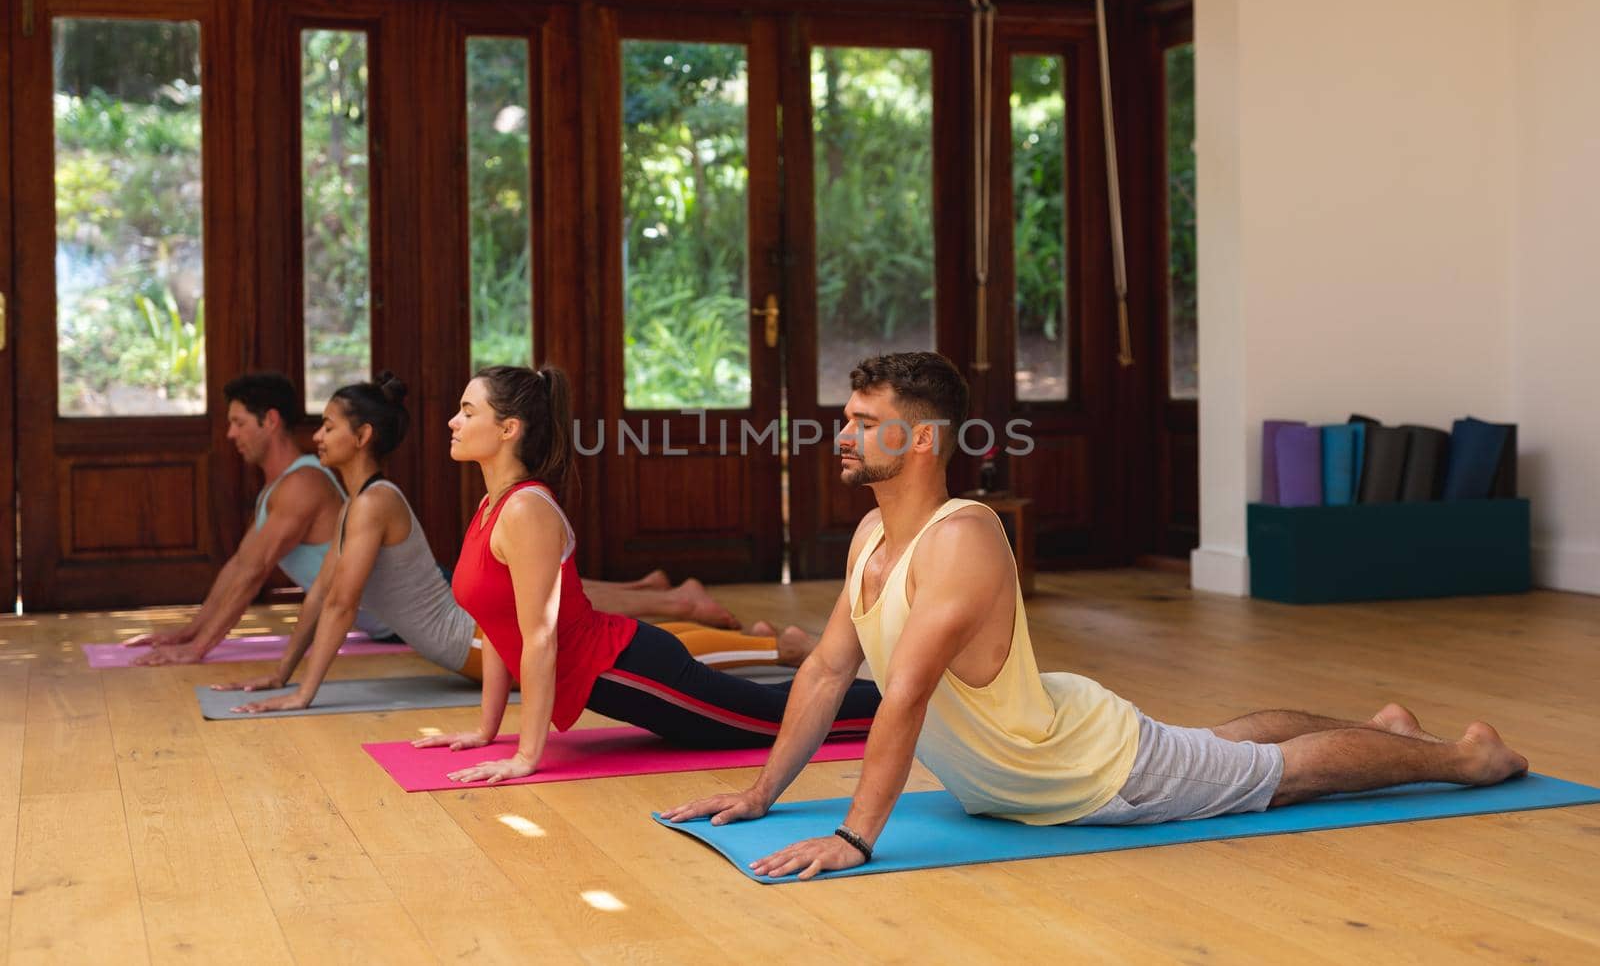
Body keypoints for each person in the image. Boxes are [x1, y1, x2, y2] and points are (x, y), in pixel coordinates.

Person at [662, 352, 1529, 879]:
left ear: (921, 440)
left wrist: (854, 835)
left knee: (1274, 774)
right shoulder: (867, 536)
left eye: (862, 422)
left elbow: (907, 696)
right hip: (1039, 763)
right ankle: (1387, 729)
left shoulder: (960, 539)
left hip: (1090, 773)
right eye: (844, 419)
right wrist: (762, 790)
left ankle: (1461, 756)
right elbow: (823, 669)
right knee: (1225, 741)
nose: (842, 434)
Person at [216, 375, 815, 713]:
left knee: (645, 661)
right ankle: (763, 643)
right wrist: (283, 676)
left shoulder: (376, 503)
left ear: (363, 436)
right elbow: (322, 597)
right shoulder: (356, 506)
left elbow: (343, 606)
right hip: (474, 640)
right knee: (637, 649)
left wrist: (304, 695)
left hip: (474, 642)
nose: (316, 437)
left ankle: (776, 652)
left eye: (327, 426)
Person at [416, 365, 881, 783]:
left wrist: (526, 756)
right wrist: (486, 730)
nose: (453, 422)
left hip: (628, 669)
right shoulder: (490, 506)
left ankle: (905, 701)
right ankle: (892, 691)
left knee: (778, 720)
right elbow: (501, 627)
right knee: (765, 703)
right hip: (621, 665)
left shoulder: (525, 510)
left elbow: (540, 637)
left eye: (467, 412)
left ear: (508, 429)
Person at [123, 373, 397, 665]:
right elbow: (240, 565)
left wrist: (198, 649)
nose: (231, 434)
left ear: (270, 421)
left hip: (416, 618)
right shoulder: (279, 487)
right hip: (392, 627)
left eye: (239, 423)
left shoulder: (303, 484)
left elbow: (255, 573)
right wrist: (190, 633)